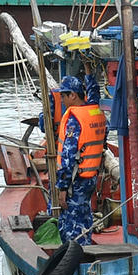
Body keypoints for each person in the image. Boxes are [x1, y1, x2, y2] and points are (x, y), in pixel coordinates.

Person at [53, 75, 107, 244]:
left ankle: (75, 258)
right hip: (90, 177)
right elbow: (94, 93)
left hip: (75, 180)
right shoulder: (95, 111)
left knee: (71, 223)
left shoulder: (74, 119)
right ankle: (86, 246)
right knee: (84, 216)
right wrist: (90, 76)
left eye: (63, 95)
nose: (61, 99)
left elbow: (68, 156)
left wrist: (62, 187)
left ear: (73, 95)